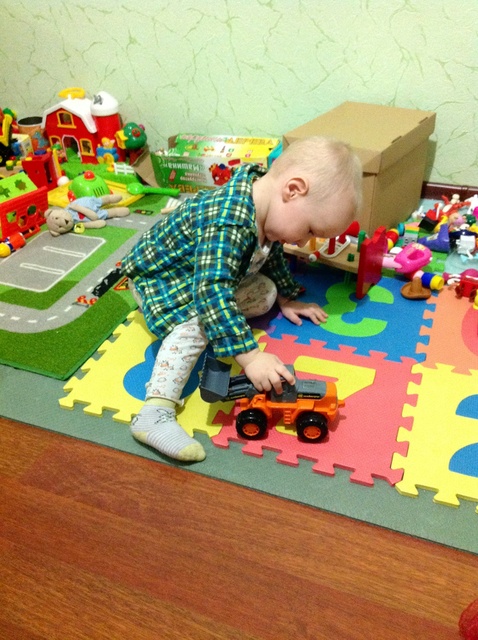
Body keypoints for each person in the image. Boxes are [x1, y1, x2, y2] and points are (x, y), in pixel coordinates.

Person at [121, 135, 362, 463]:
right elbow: (210, 290)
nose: (304, 242)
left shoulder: (267, 205)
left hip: (203, 274)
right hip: (160, 281)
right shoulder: (229, 220)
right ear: (293, 190)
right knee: (197, 323)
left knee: (267, 293)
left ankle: (224, 327)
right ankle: (155, 412)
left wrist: (288, 297)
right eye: (309, 230)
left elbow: (270, 254)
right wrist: (250, 356)